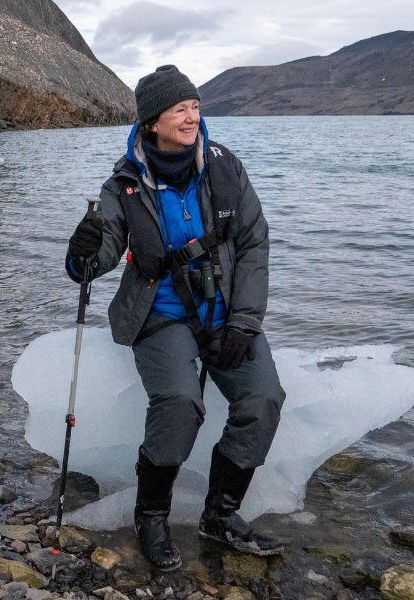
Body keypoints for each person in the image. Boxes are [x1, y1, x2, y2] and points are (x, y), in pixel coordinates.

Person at [65, 65, 286, 571]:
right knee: (180, 402)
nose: (191, 117)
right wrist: (82, 253)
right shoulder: (122, 186)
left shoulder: (225, 168)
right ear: (151, 123)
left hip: (227, 313)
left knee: (263, 396)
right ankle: (151, 516)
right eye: (178, 109)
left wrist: (246, 320)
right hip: (160, 315)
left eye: (194, 106)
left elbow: (254, 243)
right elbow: (96, 259)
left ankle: (221, 514)